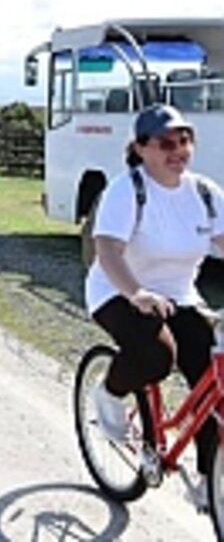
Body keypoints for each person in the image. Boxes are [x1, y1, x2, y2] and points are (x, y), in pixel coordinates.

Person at [87, 104, 224, 511]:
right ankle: (110, 394)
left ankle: (206, 481)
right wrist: (136, 293)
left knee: (212, 376)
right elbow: (108, 250)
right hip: (118, 289)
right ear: (142, 148)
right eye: (166, 142)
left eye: (185, 141)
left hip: (180, 296)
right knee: (157, 355)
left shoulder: (204, 193)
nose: (178, 150)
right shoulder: (127, 189)